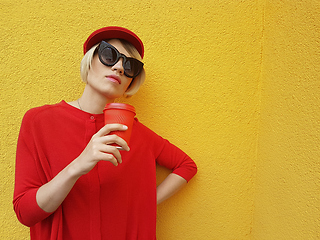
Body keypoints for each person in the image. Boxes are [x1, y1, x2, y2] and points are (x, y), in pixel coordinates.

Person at [13, 26, 197, 240]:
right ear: (89, 61)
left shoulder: (137, 135)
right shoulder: (39, 122)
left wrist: (145, 205)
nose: (119, 67)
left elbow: (187, 165)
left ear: (131, 81)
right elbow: (25, 213)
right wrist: (78, 166)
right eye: (109, 55)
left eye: (130, 66)